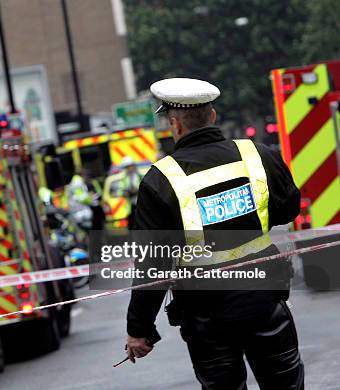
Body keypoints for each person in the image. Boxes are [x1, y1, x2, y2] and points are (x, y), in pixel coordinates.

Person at [125, 78, 304, 389]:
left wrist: (139, 329)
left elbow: (153, 263)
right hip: (265, 300)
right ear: (213, 116)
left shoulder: (160, 180)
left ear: (174, 123)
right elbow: (288, 209)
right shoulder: (258, 155)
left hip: (206, 316)